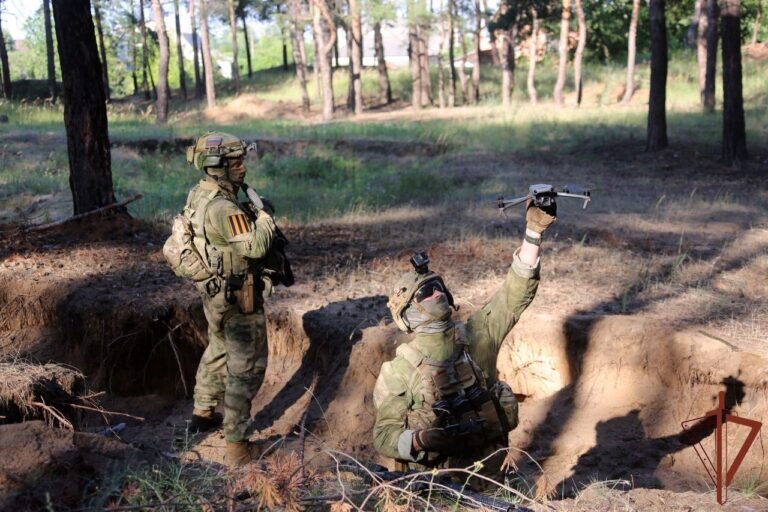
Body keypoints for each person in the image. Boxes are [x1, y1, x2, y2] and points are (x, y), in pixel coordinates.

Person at [372, 200, 556, 475]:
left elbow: (514, 294)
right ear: (408, 315)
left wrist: (534, 231)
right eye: (424, 293)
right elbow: (384, 436)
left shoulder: (476, 336)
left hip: (490, 483)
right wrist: (423, 439)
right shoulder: (399, 371)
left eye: (437, 287)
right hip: (432, 489)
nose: (435, 293)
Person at [180, 132, 279, 466]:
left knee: (218, 346)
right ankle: (238, 446)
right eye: (235, 161)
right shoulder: (224, 207)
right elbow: (253, 246)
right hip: (239, 294)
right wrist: (264, 218)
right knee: (247, 367)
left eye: (241, 159)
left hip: (214, 290)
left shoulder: (201, 192)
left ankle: (203, 411)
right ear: (216, 167)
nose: (242, 166)